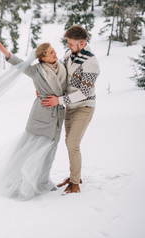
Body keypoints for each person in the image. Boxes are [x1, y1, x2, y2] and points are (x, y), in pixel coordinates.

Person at [0, 40, 66, 200]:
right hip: (40, 115)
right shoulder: (36, 71)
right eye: (51, 52)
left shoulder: (62, 67)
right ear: (43, 58)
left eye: (54, 50)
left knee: (50, 152)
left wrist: (60, 100)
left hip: (56, 115)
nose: (55, 53)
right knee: (31, 149)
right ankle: (21, 181)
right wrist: (3, 50)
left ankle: (43, 181)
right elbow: (19, 63)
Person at [41, 25, 100, 193]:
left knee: (73, 144)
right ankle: (76, 175)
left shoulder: (91, 63)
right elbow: (59, 73)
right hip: (70, 107)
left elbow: (84, 92)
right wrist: (44, 88)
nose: (68, 46)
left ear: (82, 43)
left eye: (71, 43)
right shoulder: (69, 55)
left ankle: (75, 183)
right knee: (69, 143)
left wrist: (58, 100)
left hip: (84, 106)